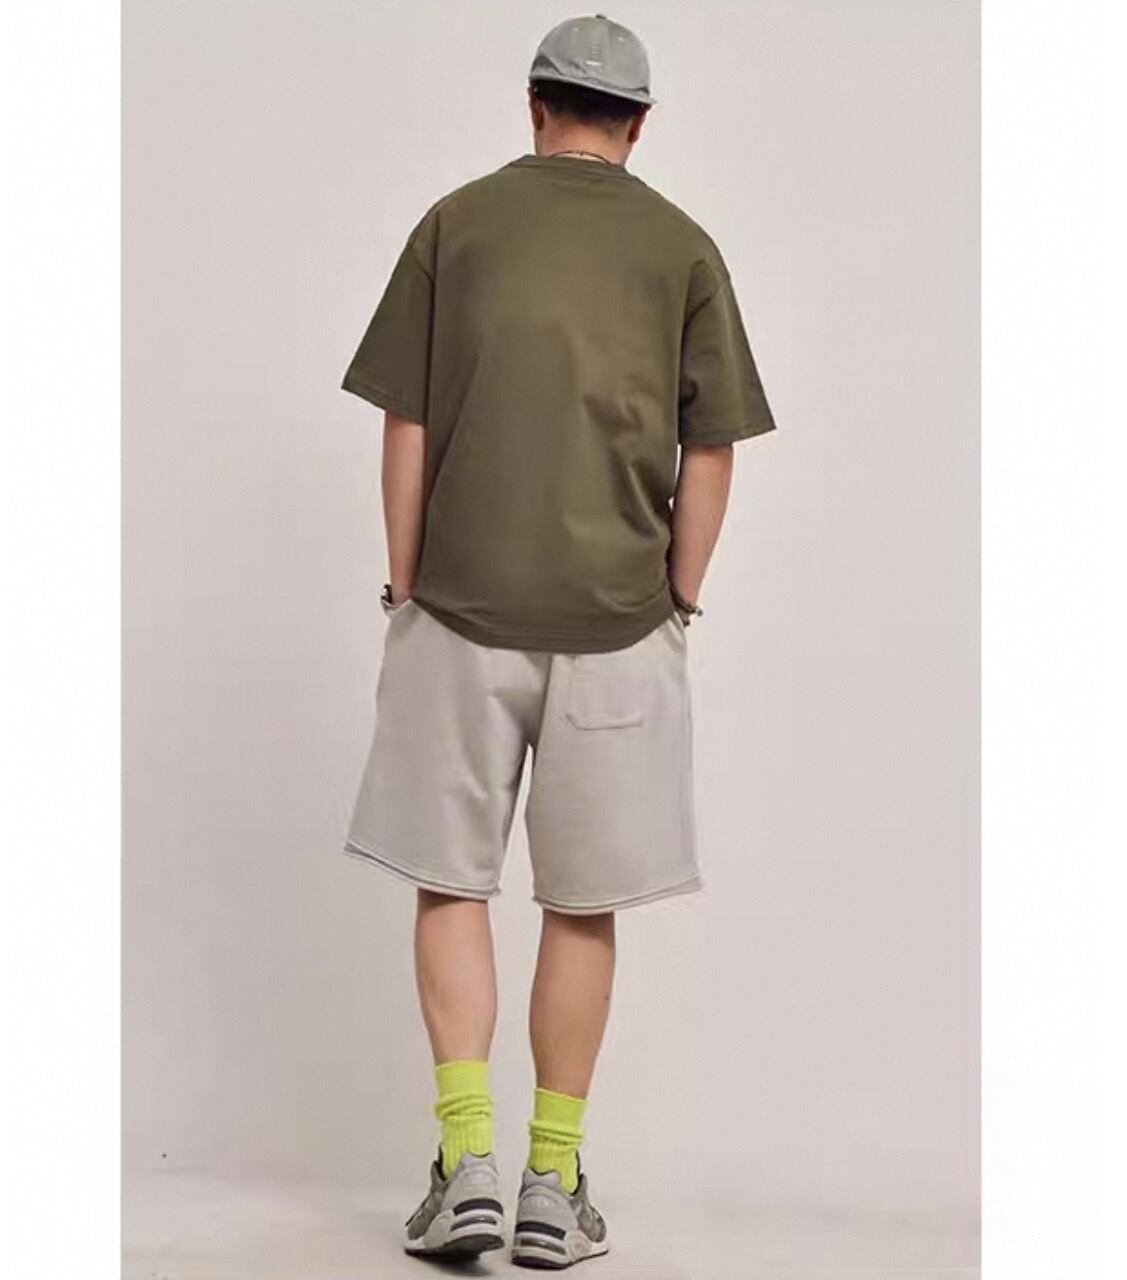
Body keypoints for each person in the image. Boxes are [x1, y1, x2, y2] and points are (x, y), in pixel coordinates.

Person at [339, 12, 776, 1269]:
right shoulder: (683, 248)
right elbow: (711, 448)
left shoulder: (455, 225)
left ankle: (464, 1161)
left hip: (457, 611)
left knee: (450, 881)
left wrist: (407, 585)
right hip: (618, 626)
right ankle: (550, 1178)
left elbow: (406, 425)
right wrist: (675, 597)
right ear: (637, 125)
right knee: (580, 906)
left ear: (533, 106)